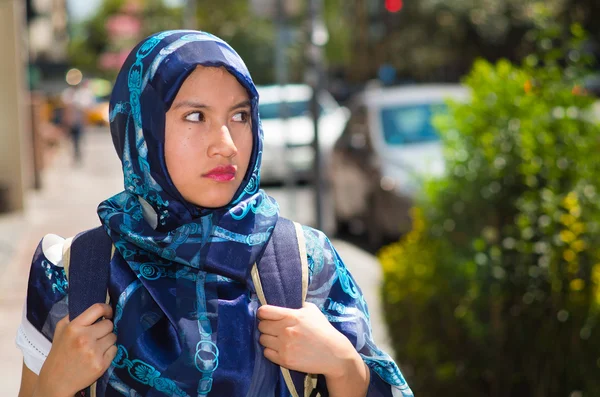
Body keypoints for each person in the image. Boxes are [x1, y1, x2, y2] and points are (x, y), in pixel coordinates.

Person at [16, 30, 413, 397]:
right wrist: (54, 385)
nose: (226, 144)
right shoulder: (72, 271)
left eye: (239, 116)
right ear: (141, 130)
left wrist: (344, 367)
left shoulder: (303, 260)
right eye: (195, 116)